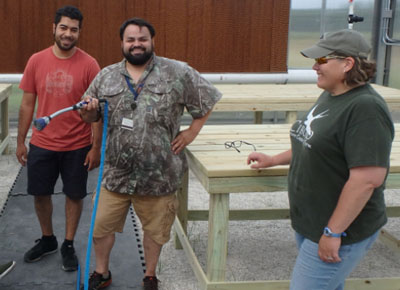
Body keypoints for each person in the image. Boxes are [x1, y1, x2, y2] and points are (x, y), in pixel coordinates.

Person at [79, 17, 221, 290]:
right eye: (130, 39)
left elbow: (208, 99)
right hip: (115, 175)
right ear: (122, 43)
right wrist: (87, 113)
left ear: (152, 41)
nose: (136, 44)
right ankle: (102, 272)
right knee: (101, 227)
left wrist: (192, 131)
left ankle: (150, 275)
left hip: (160, 175)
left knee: (156, 231)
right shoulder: (106, 76)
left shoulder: (178, 72)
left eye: (142, 39)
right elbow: (90, 114)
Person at [247, 29, 394, 290]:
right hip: (313, 223)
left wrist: (333, 232)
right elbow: (314, 144)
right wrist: (273, 160)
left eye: (322, 60)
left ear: (347, 64)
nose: (315, 67)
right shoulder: (332, 94)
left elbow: (367, 180)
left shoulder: (365, 108)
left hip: (341, 229)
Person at [16, 5, 102, 272]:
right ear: (53, 28)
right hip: (42, 143)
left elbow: (97, 112)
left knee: (74, 195)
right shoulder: (36, 61)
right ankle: (48, 238)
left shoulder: (89, 64)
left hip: (77, 145)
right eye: (63, 28)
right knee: (40, 194)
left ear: (79, 33)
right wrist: (21, 140)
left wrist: (96, 148)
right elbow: (27, 103)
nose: (68, 34)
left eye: (73, 30)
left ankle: (67, 243)